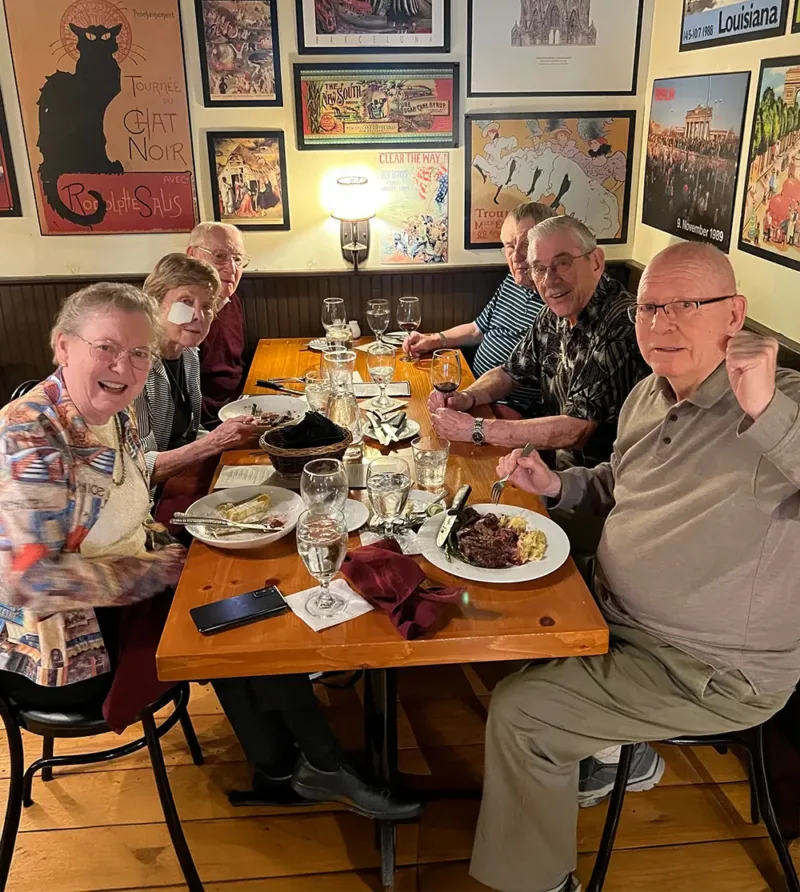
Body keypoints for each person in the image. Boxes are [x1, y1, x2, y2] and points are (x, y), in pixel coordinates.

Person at [0, 283, 421, 821]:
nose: (123, 366)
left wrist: (190, 539)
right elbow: (27, 581)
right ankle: (321, 765)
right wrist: (159, 571)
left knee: (247, 589)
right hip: (70, 645)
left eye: (138, 353)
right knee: (245, 615)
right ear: (63, 346)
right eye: (106, 347)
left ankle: (280, 764)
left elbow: (130, 476)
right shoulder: (30, 434)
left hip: (133, 584)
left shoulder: (111, 408)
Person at [470, 243, 800, 892]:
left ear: (735, 314)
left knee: (522, 716)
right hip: (615, 614)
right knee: (481, 607)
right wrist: (558, 487)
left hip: (707, 667)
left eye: (687, 305)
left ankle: (539, 882)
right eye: (650, 307)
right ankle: (607, 750)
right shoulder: (651, 392)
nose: (662, 323)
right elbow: (621, 482)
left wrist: (768, 411)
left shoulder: (780, 399)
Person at [429, 216, 649, 468]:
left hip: (604, 486)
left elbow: (575, 429)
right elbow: (511, 372)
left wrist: (476, 428)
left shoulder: (621, 323)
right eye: (539, 268)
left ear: (596, 262)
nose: (549, 280)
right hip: (557, 471)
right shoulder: (553, 313)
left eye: (562, 263)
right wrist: (467, 397)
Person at [404, 202, 556, 418]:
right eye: (510, 246)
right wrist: (432, 340)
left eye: (526, 245)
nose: (516, 257)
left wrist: (470, 399)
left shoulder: (558, 302)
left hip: (516, 407)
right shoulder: (512, 283)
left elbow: (515, 378)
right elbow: (478, 329)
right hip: (475, 388)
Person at [134, 253, 257, 485]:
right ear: (154, 304)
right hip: (147, 500)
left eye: (208, 306)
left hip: (182, 475)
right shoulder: (133, 368)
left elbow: (188, 435)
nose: (199, 316)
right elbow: (139, 469)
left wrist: (237, 436)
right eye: (186, 302)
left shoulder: (188, 353)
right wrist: (215, 442)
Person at [187, 222, 248, 426]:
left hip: (240, 404)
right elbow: (183, 401)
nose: (231, 268)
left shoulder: (232, 300)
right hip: (206, 422)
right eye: (220, 256)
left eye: (237, 259)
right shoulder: (181, 315)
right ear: (192, 255)